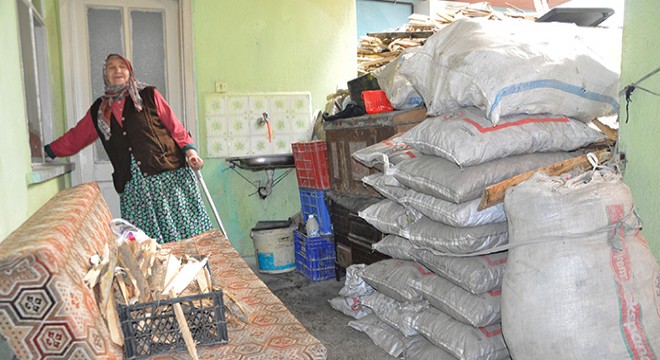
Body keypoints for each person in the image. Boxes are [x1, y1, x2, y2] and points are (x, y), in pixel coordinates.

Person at [45, 53, 213, 243]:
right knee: (146, 243)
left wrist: (190, 151)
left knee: (188, 233)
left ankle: (198, 271)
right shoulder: (99, 110)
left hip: (168, 178)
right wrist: (48, 151)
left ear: (129, 70)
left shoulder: (149, 95)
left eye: (122, 66)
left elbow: (175, 126)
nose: (117, 70)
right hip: (135, 187)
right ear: (105, 74)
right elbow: (76, 137)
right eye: (111, 67)